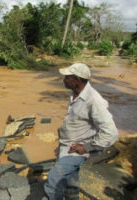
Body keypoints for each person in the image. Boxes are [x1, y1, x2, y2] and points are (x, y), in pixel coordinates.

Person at [44, 63, 119, 200]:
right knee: (71, 182)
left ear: (77, 80)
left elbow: (111, 132)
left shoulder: (93, 100)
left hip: (76, 150)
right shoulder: (76, 94)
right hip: (67, 146)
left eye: (67, 77)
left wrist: (86, 147)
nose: (63, 80)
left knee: (53, 180)